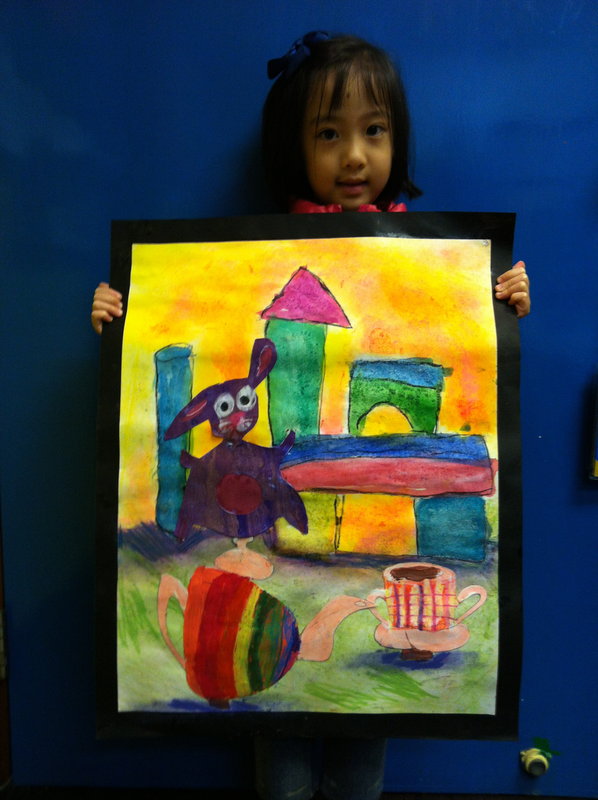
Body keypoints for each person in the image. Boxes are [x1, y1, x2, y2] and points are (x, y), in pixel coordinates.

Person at [90, 31, 530, 800]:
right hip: (259, 579)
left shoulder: (436, 259)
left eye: (374, 130)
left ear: (397, 140)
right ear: (296, 147)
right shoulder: (252, 254)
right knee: (281, 756)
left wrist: (501, 297)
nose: (354, 155)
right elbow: (155, 328)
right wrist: (121, 311)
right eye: (329, 134)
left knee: (364, 755)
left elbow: (483, 344)